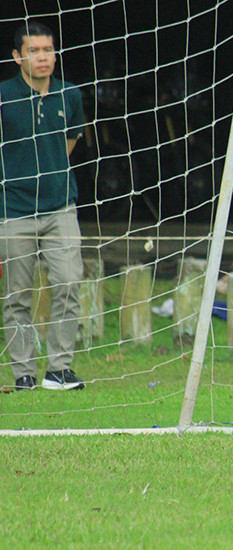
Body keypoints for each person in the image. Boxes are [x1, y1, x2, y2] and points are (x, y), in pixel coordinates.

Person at [0, 21, 86, 390]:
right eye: (34, 50)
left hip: (60, 207)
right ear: (18, 56)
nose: (43, 57)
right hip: (13, 211)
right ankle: (23, 373)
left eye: (48, 49)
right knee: (17, 295)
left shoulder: (70, 94)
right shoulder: (3, 96)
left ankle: (58, 369)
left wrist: (49, 175)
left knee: (69, 282)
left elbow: (71, 141)